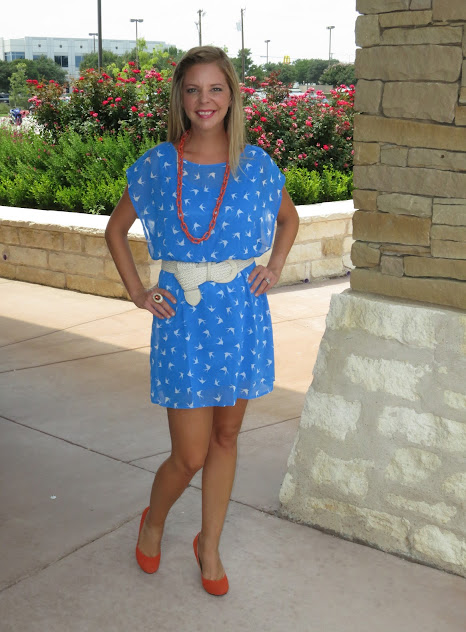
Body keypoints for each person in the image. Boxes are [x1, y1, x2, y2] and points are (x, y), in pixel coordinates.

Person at [105, 46, 299, 596]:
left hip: (241, 314)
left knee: (226, 436)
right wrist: (138, 292)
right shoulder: (157, 165)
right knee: (189, 454)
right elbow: (115, 230)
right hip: (183, 319)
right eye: (193, 89)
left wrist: (274, 267)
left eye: (215, 88)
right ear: (180, 98)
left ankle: (208, 546)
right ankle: (154, 521)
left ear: (232, 95)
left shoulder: (255, 165)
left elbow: (288, 220)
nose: (204, 100)